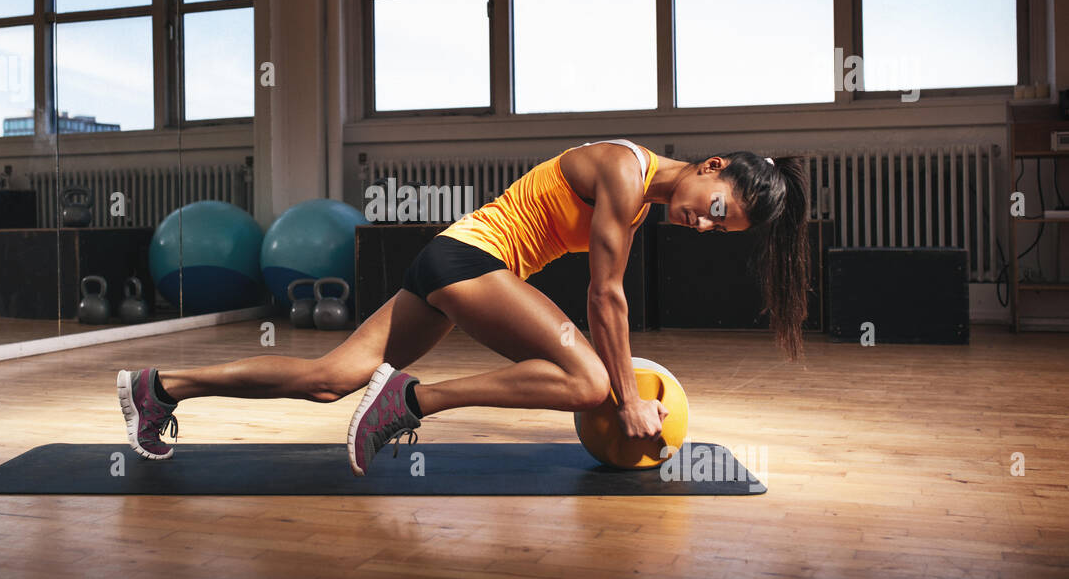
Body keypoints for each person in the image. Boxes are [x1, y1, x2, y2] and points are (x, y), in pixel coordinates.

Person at [116, 140, 809, 476]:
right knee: (589, 381)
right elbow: (606, 298)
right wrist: (628, 399)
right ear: (711, 165)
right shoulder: (626, 174)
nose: (706, 225)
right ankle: (412, 402)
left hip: (452, 260)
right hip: (470, 261)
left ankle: (159, 388)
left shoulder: (642, 194)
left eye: (724, 231)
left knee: (329, 379)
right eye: (717, 209)